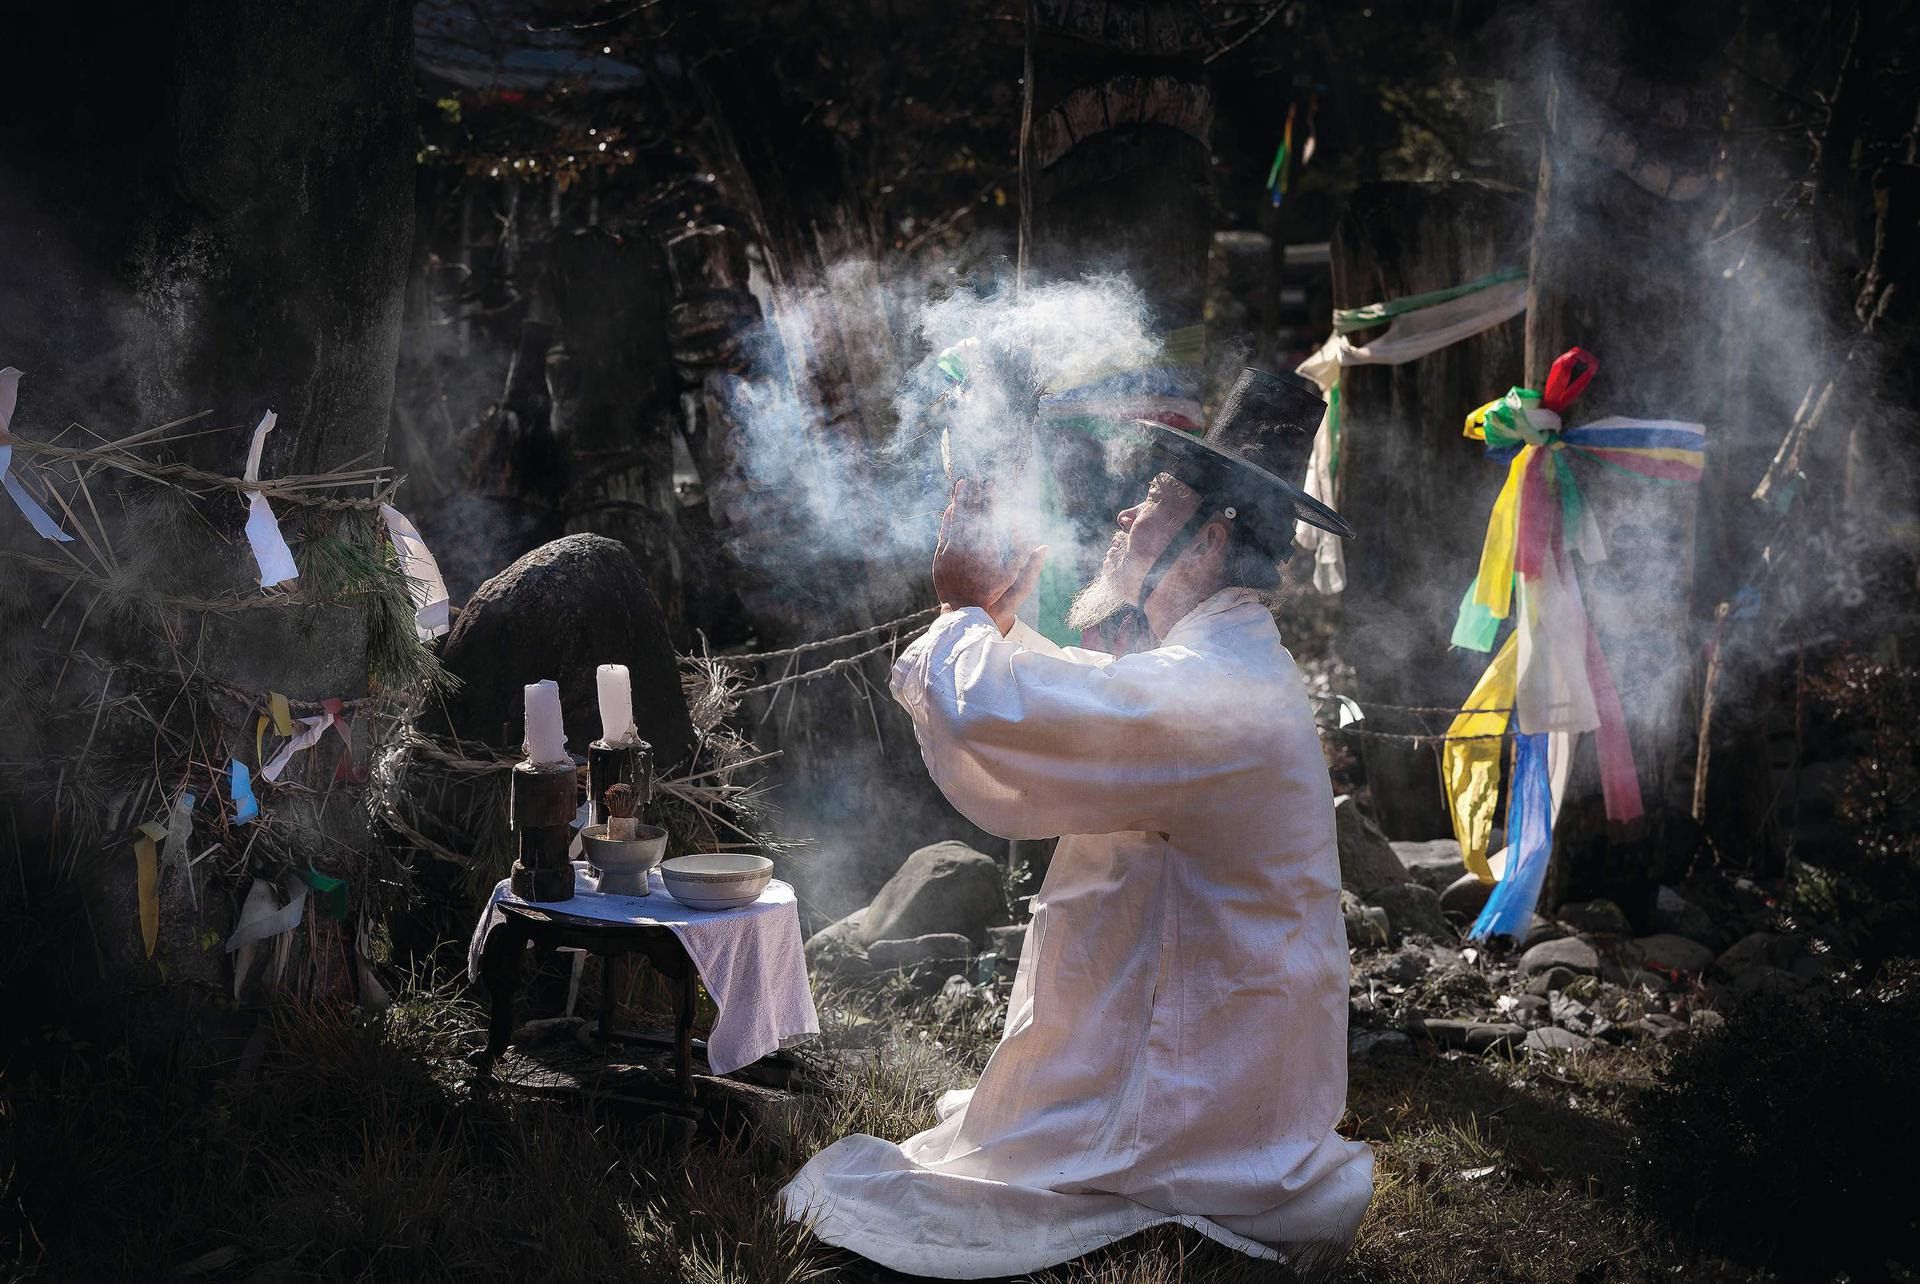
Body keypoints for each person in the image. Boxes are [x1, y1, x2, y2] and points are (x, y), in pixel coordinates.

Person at [781, 368, 1375, 1279]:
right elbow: (1080, 707)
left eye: (1152, 499)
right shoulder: (1218, 664)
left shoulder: (1218, 688)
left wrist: (965, 614)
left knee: (881, 1206)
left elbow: (1010, 718)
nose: (1125, 518)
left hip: (1198, 1111)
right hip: (1209, 1074)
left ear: (1210, 538)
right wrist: (994, 628)